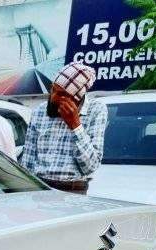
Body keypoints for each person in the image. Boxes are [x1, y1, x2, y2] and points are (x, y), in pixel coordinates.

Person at [20, 62, 108, 194]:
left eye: (62, 94)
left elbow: (90, 167)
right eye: (53, 89)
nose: (54, 97)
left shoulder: (95, 110)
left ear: (76, 97)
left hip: (73, 191)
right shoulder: (40, 110)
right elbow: (28, 161)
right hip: (41, 189)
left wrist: (75, 126)